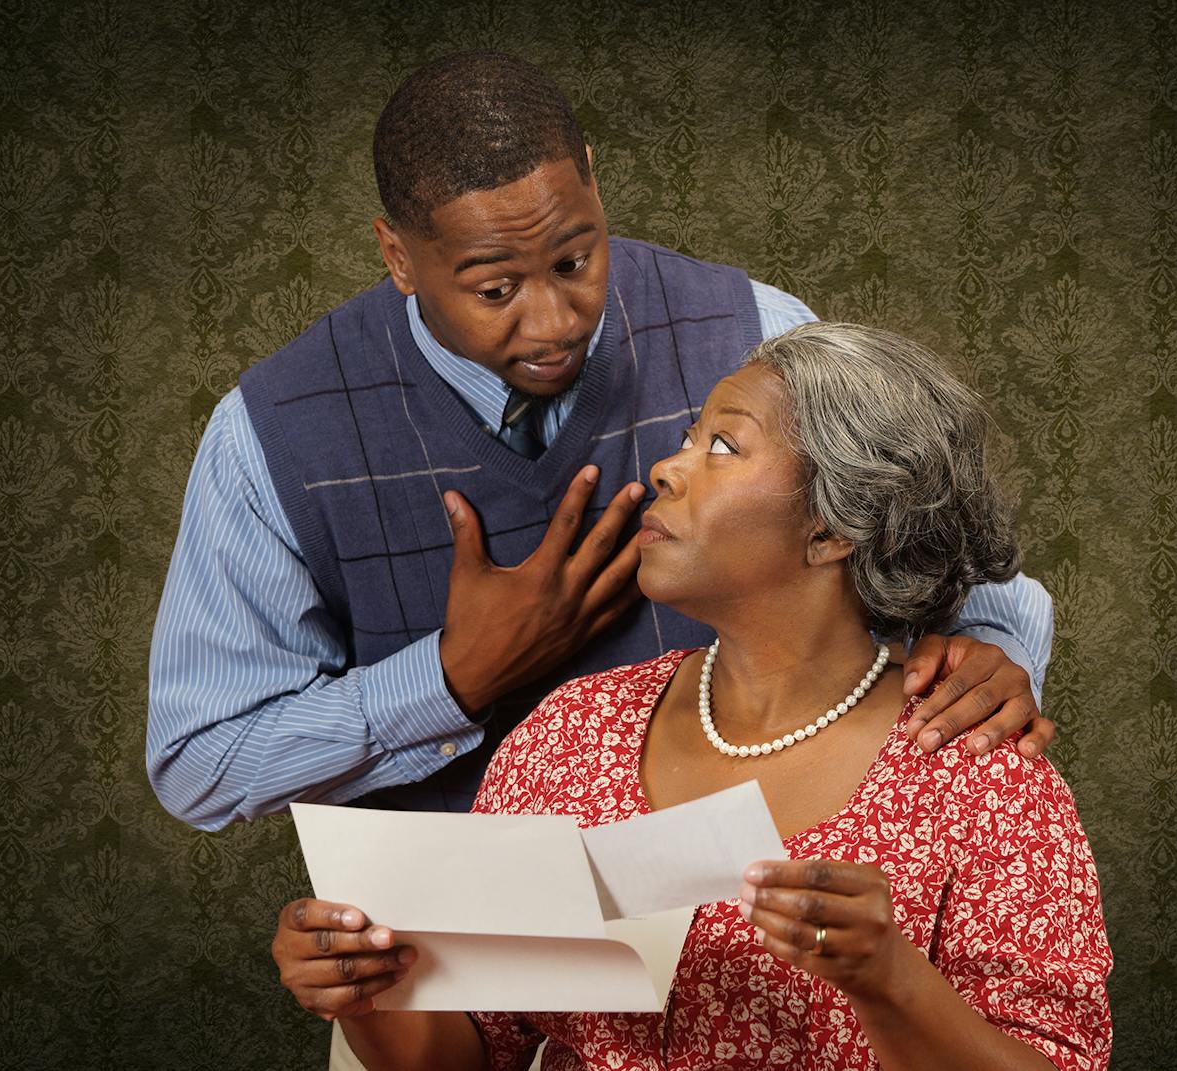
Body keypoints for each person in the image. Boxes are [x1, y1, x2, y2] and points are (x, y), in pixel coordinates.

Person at [147, 51, 1056, 832]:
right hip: (439, 987)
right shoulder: (270, 430)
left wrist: (986, 654)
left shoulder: (750, 331)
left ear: (590, 174)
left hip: (743, 953)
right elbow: (199, 762)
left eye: (575, 261)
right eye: (495, 288)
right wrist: (451, 679)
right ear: (398, 255)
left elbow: (946, 550)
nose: (554, 320)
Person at [271, 322, 1112, 1071]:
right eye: (687, 435)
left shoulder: (985, 782)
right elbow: (473, 1051)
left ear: (832, 528)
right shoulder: (568, 737)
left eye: (722, 447)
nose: (667, 467)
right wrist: (362, 990)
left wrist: (889, 979)